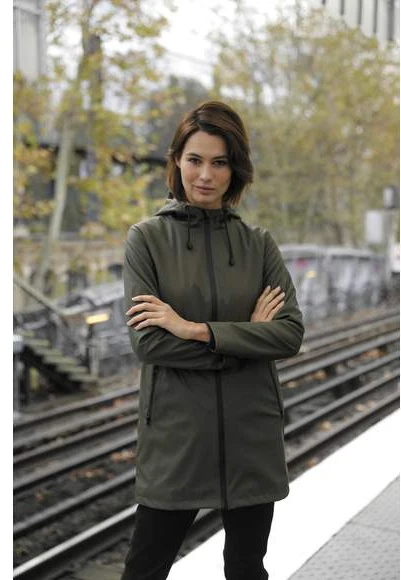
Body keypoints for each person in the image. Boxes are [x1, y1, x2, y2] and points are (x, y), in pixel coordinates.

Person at [121, 100, 305, 580]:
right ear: (176, 162)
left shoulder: (258, 244)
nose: (205, 175)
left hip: (251, 436)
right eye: (195, 160)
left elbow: (289, 334)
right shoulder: (146, 240)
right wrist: (247, 340)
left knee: (246, 569)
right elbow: (149, 345)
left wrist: (194, 330)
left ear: (235, 168)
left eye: (219, 162)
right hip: (177, 438)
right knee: (144, 570)